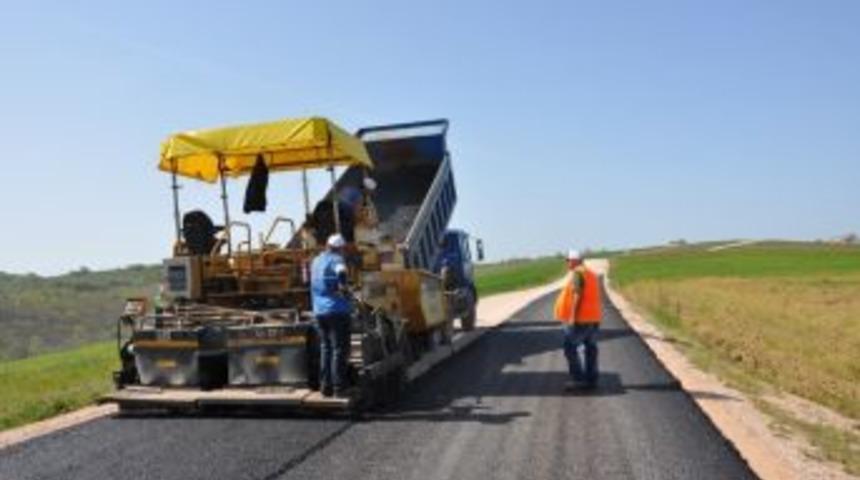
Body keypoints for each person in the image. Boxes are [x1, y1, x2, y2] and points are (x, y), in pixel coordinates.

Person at [310, 233, 353, 398]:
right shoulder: (336, 259)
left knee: (325, 348)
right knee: (339, 350)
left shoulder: (316, 261)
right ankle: (339, 388)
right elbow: (341, 271)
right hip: (336, 311)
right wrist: (343, 286)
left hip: (319, 311)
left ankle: (325, 387)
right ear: (339, 248)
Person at [554, 249, 603, 389]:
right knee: (591, 348)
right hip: (593, 319)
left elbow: (577, 295)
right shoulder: (591, 274)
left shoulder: (578, 273)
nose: (567, 263)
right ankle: (592, 379)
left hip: (581, 320)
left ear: (574, 260)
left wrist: (572, 317)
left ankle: (578, 379)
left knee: (569, 347)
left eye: (568, 260)